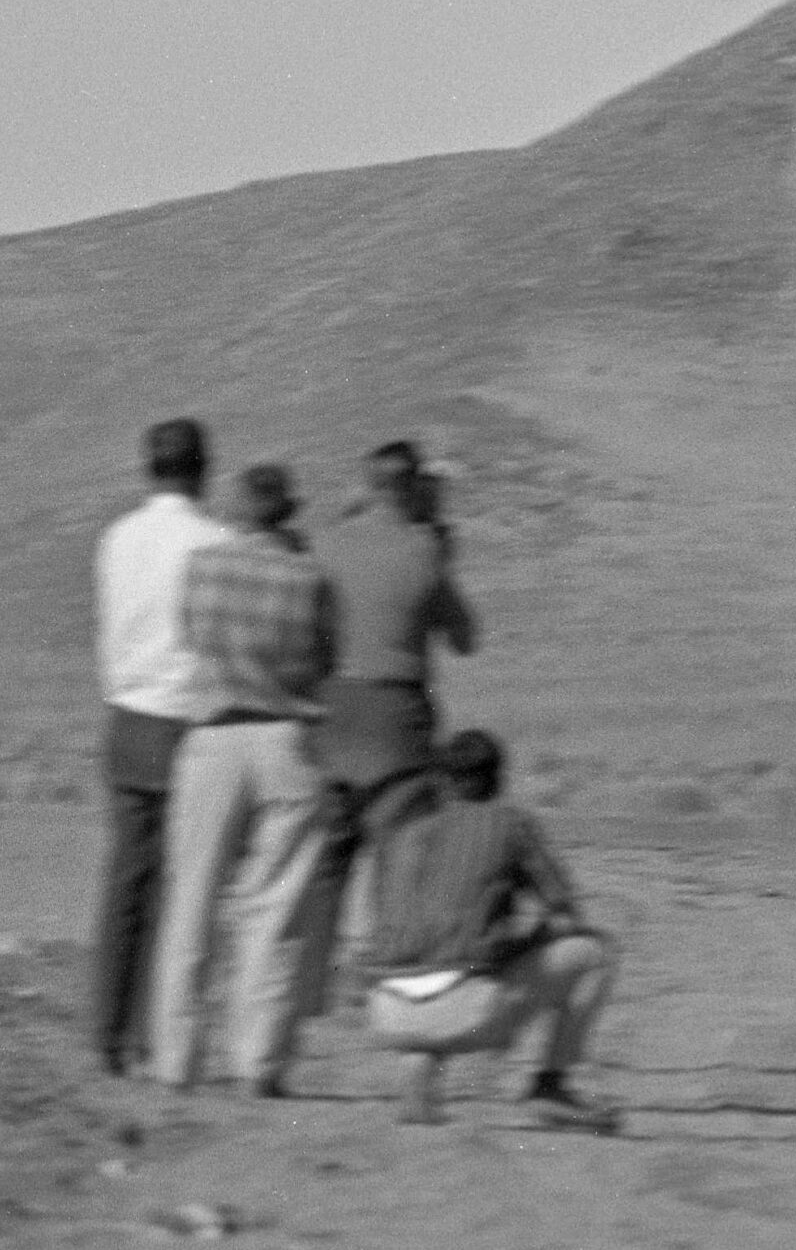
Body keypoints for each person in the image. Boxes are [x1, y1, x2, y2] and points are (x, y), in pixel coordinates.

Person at [149, 462, 339, 1097]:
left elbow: (189, 636)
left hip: (213, 736)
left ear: (235, 510)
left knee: (191, 900)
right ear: (289, 512)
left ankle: (176, 1060)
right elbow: (326, 660)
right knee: (275, 907)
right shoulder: (310, 577)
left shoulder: (202, 566)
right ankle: (256, 1061)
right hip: (287, 737)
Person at [362, 730, 620, 1133]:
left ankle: (421, 1057)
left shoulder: (405, 834)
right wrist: (529, 941)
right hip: (466, 1011)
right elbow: (565, 917)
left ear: (443, 781)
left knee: (442, 960)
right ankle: (551, 1085)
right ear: (498, 779)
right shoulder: (510, 824)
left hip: (386, 1011)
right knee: (594, 954)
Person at [300, 442, 479, 1010]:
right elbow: (465, 638)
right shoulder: (424, 549)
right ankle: (383, 982)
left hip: (333, 712)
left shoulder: (331, 542)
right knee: (396, 851)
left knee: (329, 857)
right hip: (396, 717)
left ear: (368, 484)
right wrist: (441, 553)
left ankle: (307, 990)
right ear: (413, 487)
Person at [90, 417, 233, 1075]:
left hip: (127, 717)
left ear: (149, 470)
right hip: (186, 722)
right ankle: (155, 1035)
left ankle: (107, 1033)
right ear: (203, 470)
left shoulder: (117, 537)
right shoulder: (215, 541)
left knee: (127, 878)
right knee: (179, 889)